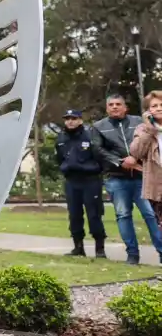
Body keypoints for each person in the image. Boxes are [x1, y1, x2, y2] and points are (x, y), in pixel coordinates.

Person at [91, 93, 162, 265]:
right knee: (123, 215)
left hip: (142, 176)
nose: (114, 107)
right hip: (116, 178)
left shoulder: (139, 122)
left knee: (150, 214)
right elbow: (98, 150)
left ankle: (161, 250)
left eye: (118, 104)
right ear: (107, 108)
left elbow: (148, 141)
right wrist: (119, 162)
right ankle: (132, 254)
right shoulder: (99, 126)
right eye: (111, 105)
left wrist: (135, 159)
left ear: (126, 107)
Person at [55, 108, 107, 258]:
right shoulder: (61, 138)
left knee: (94, 214)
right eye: (67, 119)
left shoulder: (90, 135)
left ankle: (99, 248)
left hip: (90, 180)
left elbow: (100, 157)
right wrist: (64, 168)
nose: (70, 122)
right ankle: (78, 247)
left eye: (74, 118)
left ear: (80, 120)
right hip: (72, 181)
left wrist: (93, 169)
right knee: (74, 215)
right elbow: (59, 158)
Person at [129, 91, 162, 227]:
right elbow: (136, 152)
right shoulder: (142, 129)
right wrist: (150, 129)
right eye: (154, 106)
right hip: (156, 186)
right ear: (148, 111)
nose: (159, 108)